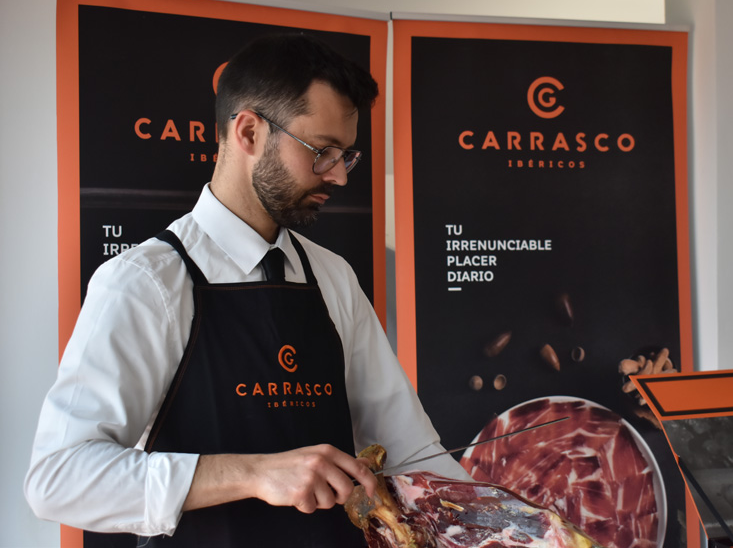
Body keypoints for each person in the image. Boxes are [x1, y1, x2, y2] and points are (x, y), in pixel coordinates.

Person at [25, 33, 469, 547]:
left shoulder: (333, 277)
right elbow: (58, 479)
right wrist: (253, 473)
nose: (339, 177)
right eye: (322, 151)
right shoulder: (146, 282)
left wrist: (511, 526)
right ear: (250, 132)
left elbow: (413, 454)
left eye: (346, 155)